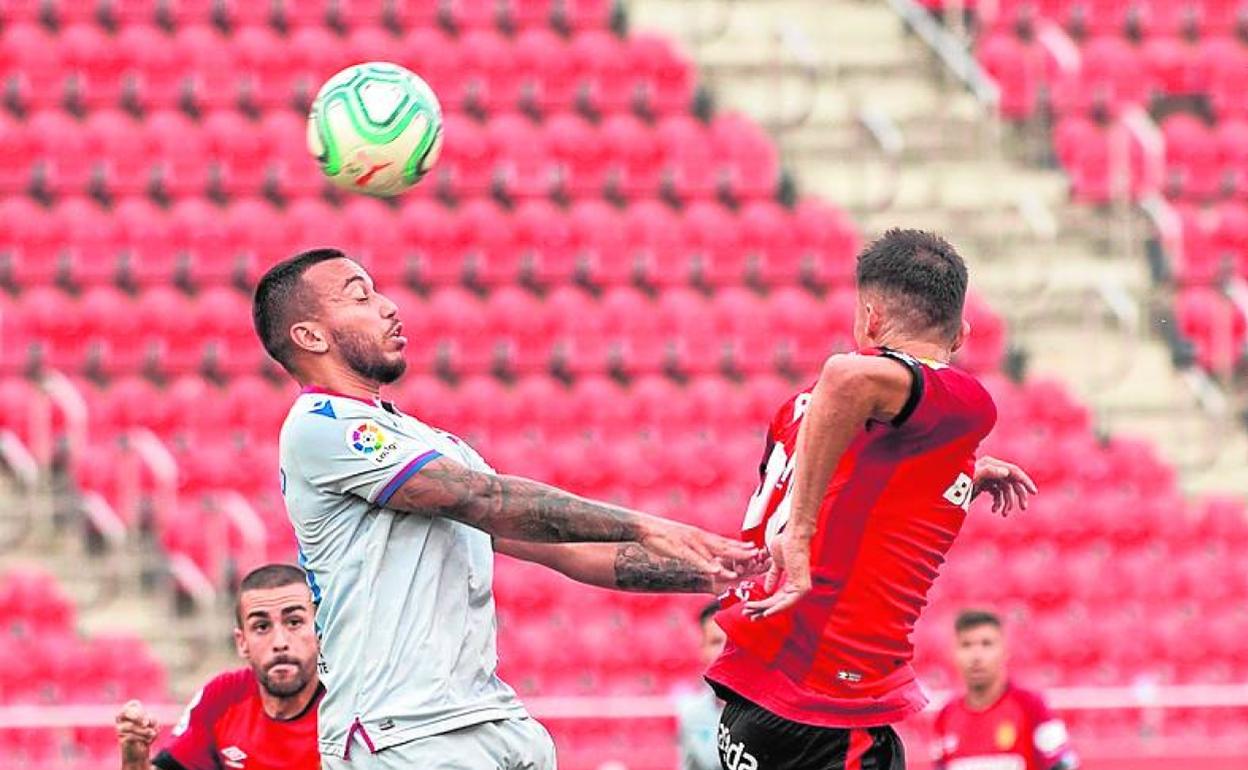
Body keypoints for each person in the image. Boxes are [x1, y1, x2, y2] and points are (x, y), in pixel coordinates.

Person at [250, 249, 761, 769]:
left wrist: (721, 573)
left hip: (488, 718)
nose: (387, 306)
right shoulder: (319, 425)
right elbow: (484, 499)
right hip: (400, 732)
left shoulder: (428, 441)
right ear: (311, 337)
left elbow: (568, 550)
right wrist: (646, 525)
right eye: (361, 296)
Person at [705, 229, 1038, 770]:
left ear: (870, 318)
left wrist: (950, 473)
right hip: (825, 711)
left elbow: (852, 471)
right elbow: (845, 376)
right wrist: (803, 533)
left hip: (758, 699)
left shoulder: (795, 412)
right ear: (961, 335)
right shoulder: (963, 401)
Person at [115, 564, 323, 770]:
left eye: (294, 622)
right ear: (242, 643)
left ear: (320, 631)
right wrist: (134, 761)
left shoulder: (347, 704)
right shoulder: (223, 697)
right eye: (262, 627)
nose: (280, 642)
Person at [933, 610, 1078, 770]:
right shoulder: (946, 716)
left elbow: (1063, 765)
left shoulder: (1031, 706)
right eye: (966, 645)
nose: (976, 656)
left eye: (986, 644)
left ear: (1004, 651)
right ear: (954, 653)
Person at [676, 602, 729, 770]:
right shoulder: (692, 714)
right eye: (715, 642)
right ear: (703, 649)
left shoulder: (771, 711)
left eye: (733, 640)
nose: (725, 650)